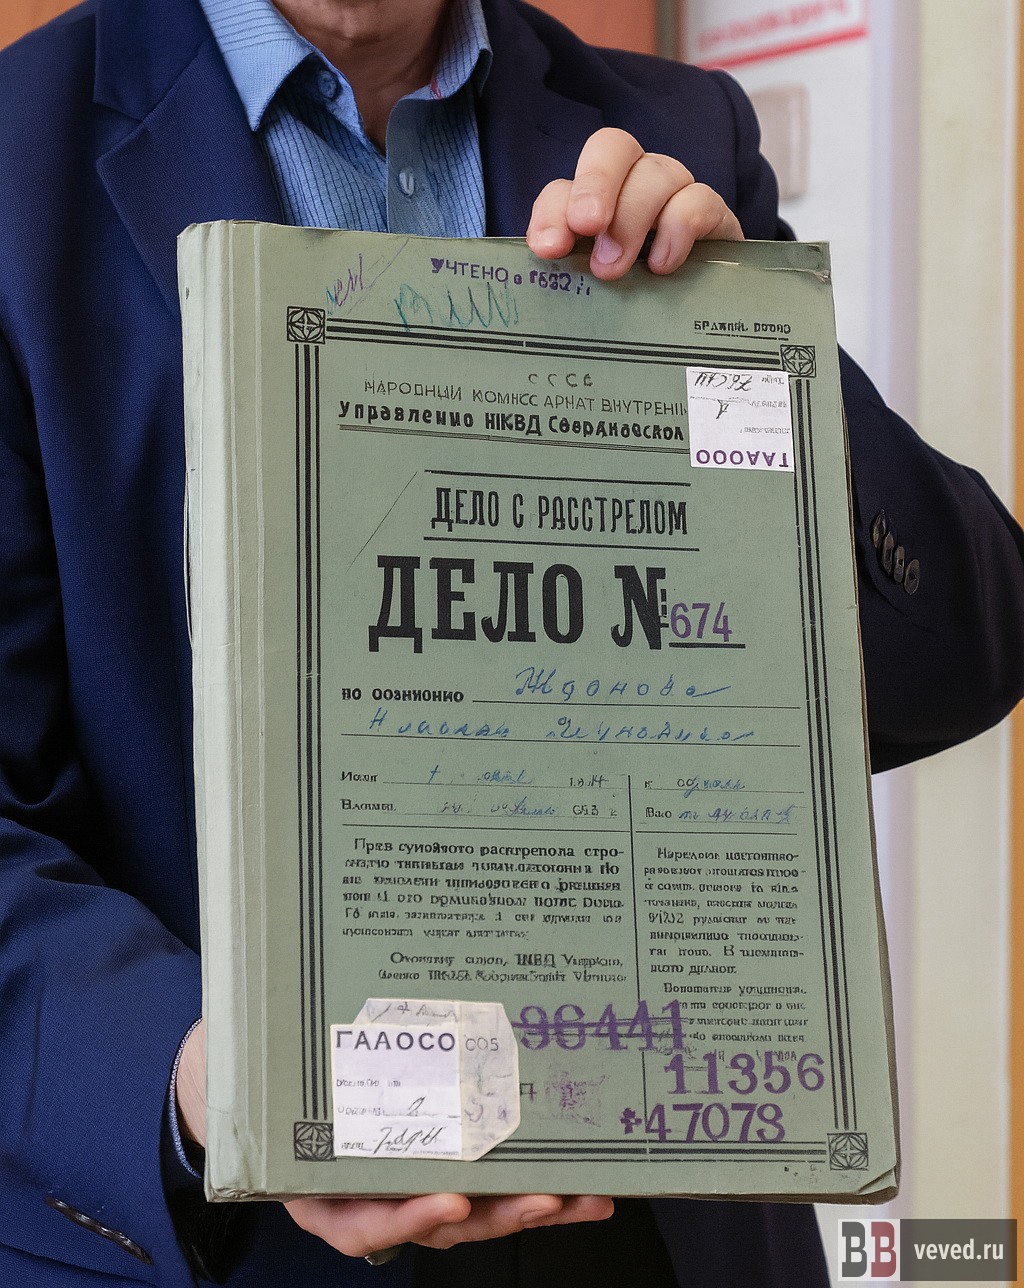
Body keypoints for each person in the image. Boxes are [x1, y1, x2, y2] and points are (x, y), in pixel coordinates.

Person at [0, 0, 1022, 1284]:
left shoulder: (675, 132)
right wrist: (205, 1085)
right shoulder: (19, 159)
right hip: (240, 1244)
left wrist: (756, 352)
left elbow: (963, 656)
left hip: (663, 1239)